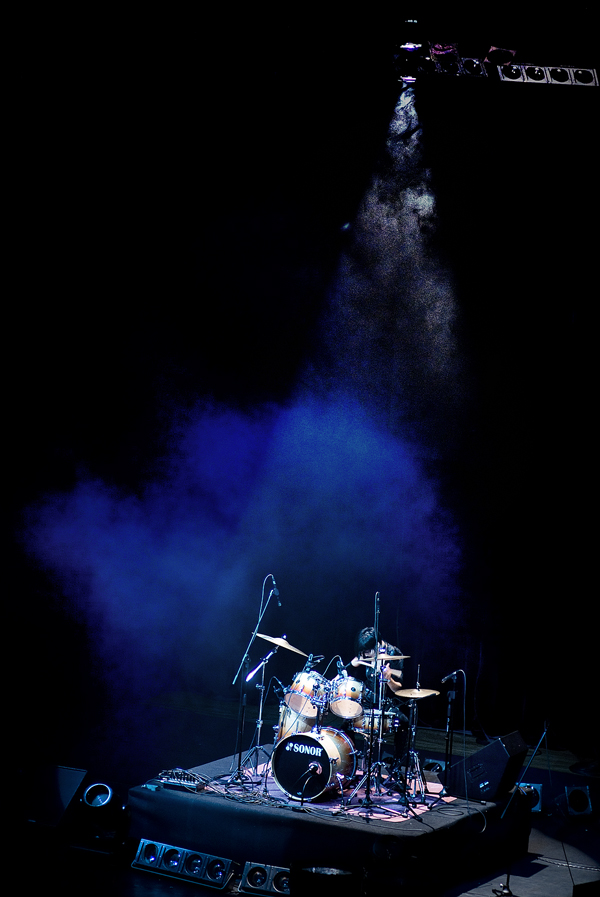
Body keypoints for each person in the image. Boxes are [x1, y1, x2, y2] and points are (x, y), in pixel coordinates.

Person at [348, 626, 409, 774]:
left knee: (404, 722)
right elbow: (350, 670)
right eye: (362, 652)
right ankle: (351, 763)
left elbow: (398, 689)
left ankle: (396, 767)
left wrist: (389, 680)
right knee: (346, 722)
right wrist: (351, 665)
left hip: (387, 700)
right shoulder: (365, 652)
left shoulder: (394, 654)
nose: (365, 655)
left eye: (367, 651)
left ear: (377, 644)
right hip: (369, 697)